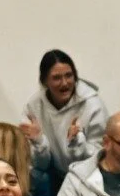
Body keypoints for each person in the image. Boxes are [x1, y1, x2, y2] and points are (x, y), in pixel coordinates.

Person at [20, 49, 107, 188]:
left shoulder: (92, 105)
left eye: (69, 76)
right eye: (56, 78)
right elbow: (40, 165)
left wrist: (78, 144)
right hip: (54, 177)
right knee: (36, 178)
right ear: (44, 81)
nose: (65, 83)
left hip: (89, 178)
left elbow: (102, 156)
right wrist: (39, 142)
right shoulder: (34, 106)